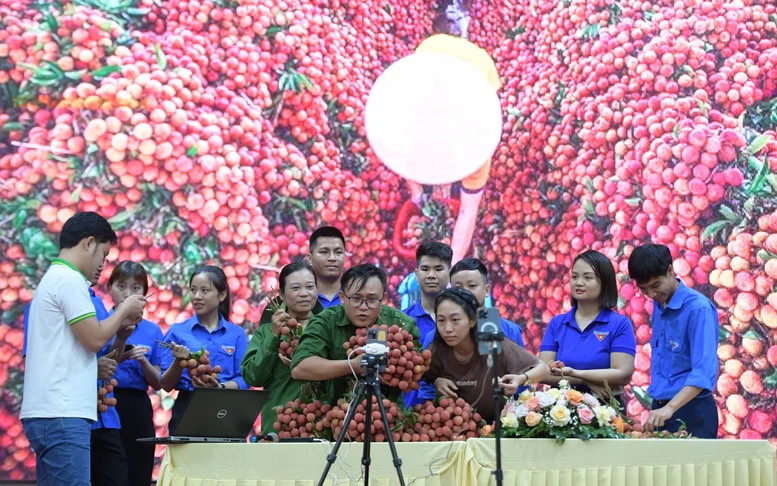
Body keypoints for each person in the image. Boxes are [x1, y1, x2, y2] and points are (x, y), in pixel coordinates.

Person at [20, 211, 145, 485]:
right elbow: (94, 340)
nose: (103, 263)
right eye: (104, 254)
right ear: (89, 243)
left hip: (50, 412)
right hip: (63, 413)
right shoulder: (69, 280)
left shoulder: (54, 278)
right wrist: (123, 309)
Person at [397, 2, 501, 306]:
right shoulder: (415, 126)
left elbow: (468, 211)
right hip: (435, 70)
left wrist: (451, 266)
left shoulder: (478, 149)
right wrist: (417, 195)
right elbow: (402, 157)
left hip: (468, 83)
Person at [290, 264, 420, 403]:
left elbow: (418, 367)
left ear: (384, 298)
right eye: (356, 299)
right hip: (338, 413)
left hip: (389, 414)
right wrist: (353, 365)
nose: (363, 307)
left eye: (372, 300)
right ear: (342, 297)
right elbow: (299, 368)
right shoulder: (326, 322)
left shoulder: (401, 324)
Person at [628, 244, 719, 439]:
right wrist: (662, 408)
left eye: (655, 286)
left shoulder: (698, 309)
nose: (651, 295)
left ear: (670, 270)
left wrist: (670, 408)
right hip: (661, 411)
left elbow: (703, 372)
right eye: (644, 289)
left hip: (692, 410)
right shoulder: (659, 304)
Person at [424, 288, 550, 424]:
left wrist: (521, 378)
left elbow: (543, 369)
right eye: (441, 320)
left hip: (499, 429)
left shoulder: (494, 345)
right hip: (457, 431)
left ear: (472, 320)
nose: (447, 328)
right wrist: (437, 381)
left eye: (455, 320)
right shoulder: (436, 350)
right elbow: (423, 377)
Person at [538, 250, 636, 409]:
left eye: (587, 278)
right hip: (560, 410)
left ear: (604, 282)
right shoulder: (557, 323)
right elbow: (542, 372)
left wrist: (574, 373)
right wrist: (584, 381)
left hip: (606, 409)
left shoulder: (619, 324)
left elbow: (622, 374)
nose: (578, 282)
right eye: (574, 277)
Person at [160, 265, 249, 432]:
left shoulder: (236, 334)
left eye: (204, 290)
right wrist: (178, 361)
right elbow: (165, 384)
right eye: (193, 290)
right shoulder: (177, 331)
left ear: (222, 295)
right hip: (187, 407)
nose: (197, 296)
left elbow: (245, 378)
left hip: (226, 408)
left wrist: (220, 388)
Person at [241, 262, 324, 435]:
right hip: (279, 427)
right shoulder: (266, 332)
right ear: (282, 295)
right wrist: (273, 336)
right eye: (295, 288)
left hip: (320, 425)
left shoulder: (327, 329)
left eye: (310, 287)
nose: (304, 294)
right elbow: (252, 377)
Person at [106, 261, 163, 486]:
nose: (128, 294)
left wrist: (142, 362)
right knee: (107, 471)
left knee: (139, 470)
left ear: (145, 294)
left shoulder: (153, 331)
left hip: (138, 406)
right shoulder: (99, 322)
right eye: (121, 286)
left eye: (136, 288)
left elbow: (158, 383)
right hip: (104, 402)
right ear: (109, 288)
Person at [421, 258, 525, 349]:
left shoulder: (511, 332)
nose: (465, 292)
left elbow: (524, 368)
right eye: (458, 287)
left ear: (487, 290)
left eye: (472, 285)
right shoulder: (435, 337)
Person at [402, 241, 453, 407]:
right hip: (410, 416)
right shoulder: (402, 321)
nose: (431, 275)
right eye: (425, 269)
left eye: (438, 269)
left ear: (450, 273)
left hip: (456, 414)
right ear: (416, 274)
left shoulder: (466, 323)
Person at [307, 226, 346, 308]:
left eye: (338, 252)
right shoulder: (300, 298)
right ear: (310, 259)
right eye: (324, 252)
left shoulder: (355, 297)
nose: (332, 258)